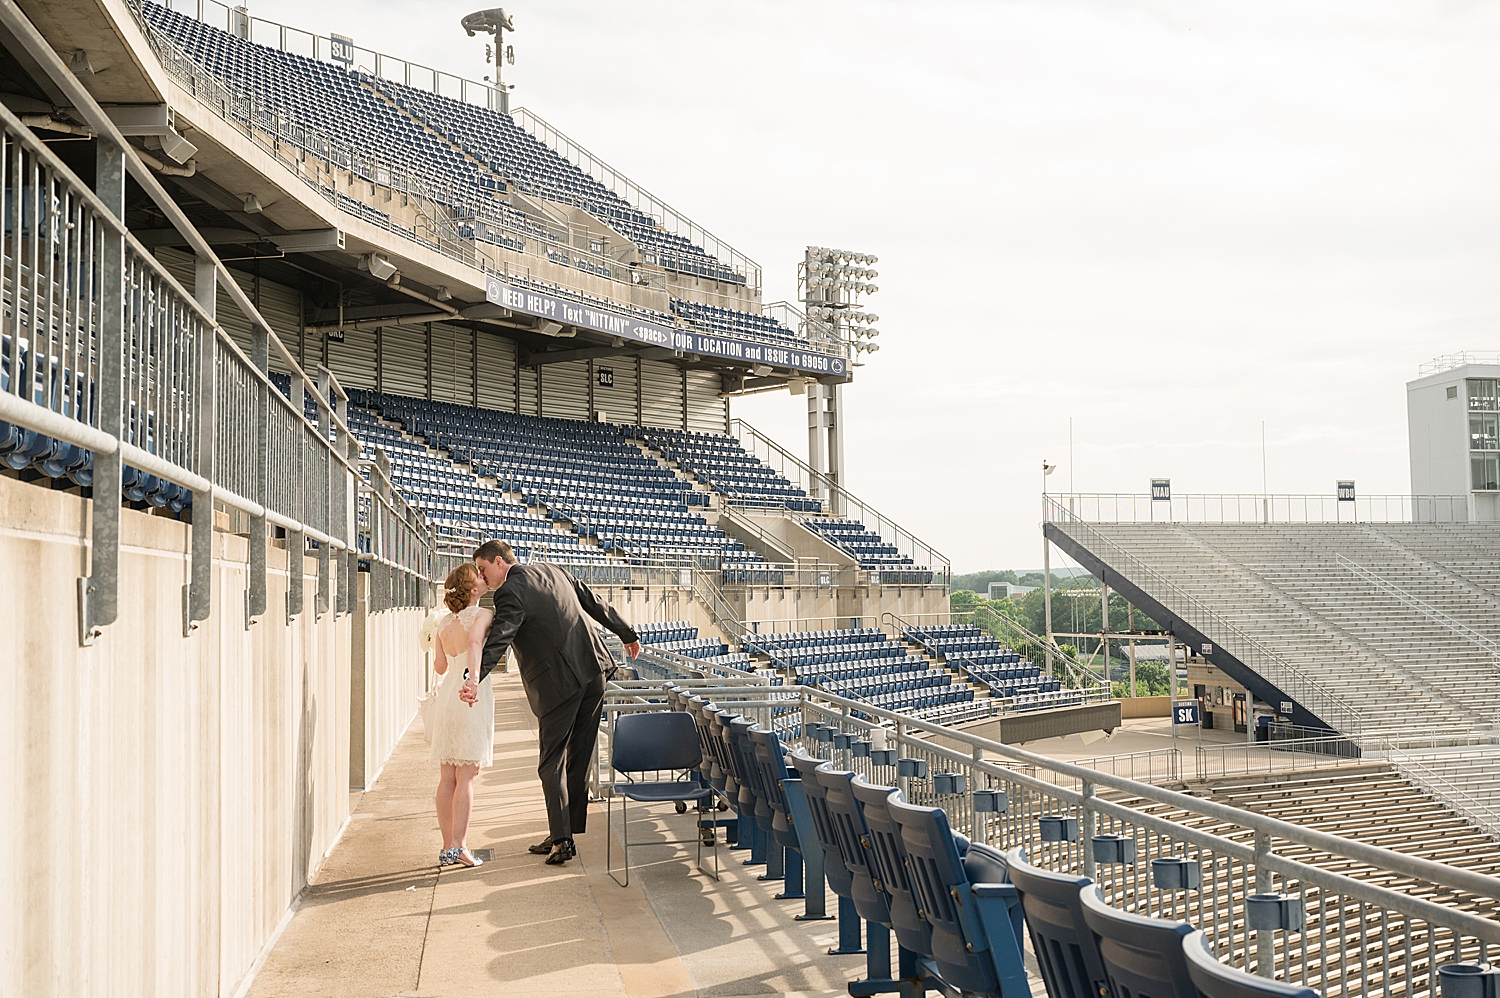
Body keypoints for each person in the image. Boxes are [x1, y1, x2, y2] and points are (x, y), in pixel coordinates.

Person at [466, 540, 641, 866]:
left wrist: (474, 675)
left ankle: (563, 840)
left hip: (560, 685)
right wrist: (626, 632)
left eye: (483, 568)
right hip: (594, 671)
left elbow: (500, 636)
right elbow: (594, 602)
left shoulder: (509, 591)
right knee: (578, 757)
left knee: (551, 763)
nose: (481, 575)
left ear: (501, 562)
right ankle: (564, 832)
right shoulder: (554, 570)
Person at [430, 562, 494, 869]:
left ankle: (446, 847)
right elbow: (474, 643)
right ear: (472, 590)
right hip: (469, 692)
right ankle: (460, 845)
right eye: (479, 578)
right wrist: (473, 678)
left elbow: (440, 668)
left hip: (447, 695)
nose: (484, 580)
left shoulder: (442, 623)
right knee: (468, 774)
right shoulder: (483, 615)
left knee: (447, 775)